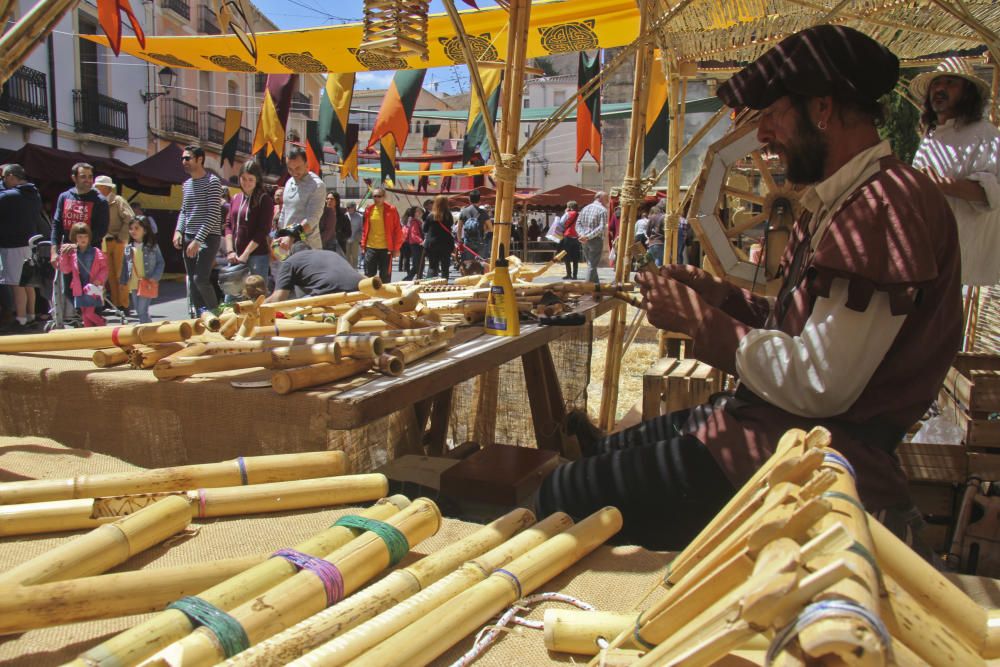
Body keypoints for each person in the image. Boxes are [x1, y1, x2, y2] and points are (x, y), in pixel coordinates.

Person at [536, 25, 962, 553]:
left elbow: (820, 384)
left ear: (823, 109)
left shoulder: (881, 208)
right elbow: (809, 333)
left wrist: (700, 322)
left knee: (560, 494)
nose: (763, 135)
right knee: (598, 456)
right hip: (772, 428)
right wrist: (723, 299)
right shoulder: (845, 200)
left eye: (772, 115)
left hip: (809, 459)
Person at [910, 58, 1000, 288]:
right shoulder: (930, 136)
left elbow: (992, 192)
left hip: (959, 259)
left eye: (950, 83)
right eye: (936, 83)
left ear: (967, 93)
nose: (940, 89)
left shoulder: (985, 134)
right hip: (924, 252)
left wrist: (945, 186)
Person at [173, 145, 223, 315]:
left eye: (187, 158)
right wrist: (178, 231)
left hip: (208, 237)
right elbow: (184, 210)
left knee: (200, 279)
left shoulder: (213, 182)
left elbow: (213, 214)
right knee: (192, 282)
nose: (183, 162)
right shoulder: (186, 184)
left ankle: (215, 314)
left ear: (199, 159)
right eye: (182, 159)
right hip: (189, 236)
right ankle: (199, 317)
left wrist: (198, 240)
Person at [265, 229, 363, 302]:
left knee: (297, 310)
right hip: (359, 289)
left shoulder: (290, 262)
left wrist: (259, 306)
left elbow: (278, 298)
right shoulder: (330, 253)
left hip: (331, 293)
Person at [0, 164, 42, 331]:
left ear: (11, 176)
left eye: (4, 177)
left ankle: (21, 320)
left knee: (17, 284)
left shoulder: (8, 196)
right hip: (29, 243)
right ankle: (31, 316)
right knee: (27, 283)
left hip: (13, 245)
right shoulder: (34, 194)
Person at [224, 160, 274, 286]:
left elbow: (263, 230)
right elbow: (229, 225)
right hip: (235, 256)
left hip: (256, 256)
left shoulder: (264, 200)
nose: (246, 183)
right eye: (243, 178)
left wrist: (246, 254)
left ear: (257, 180)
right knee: (232, 295)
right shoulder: (235, 198)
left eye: (250, 179)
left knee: (255, 295)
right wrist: (230, 251)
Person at [51, 162, 109, 265]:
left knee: (88, 282)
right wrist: (54, 252)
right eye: (83, 177)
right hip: (67, 252)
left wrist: (78, 245)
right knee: (67, 281)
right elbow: (57, 225)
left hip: (90, 254)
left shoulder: (100, 201)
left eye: (90, 177)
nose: (88, 180)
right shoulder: (64, 197)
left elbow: (101, 230)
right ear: (74, 178)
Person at [94, 175, 135, 312]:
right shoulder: (97, 201)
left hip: (118, 241)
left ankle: (124, 304)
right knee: (109, 275)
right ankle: (116, 303)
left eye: (98, 186)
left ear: (106, 188)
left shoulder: (118, 201)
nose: (96, 188)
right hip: (103, 241)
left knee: (120, 273)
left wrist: (122, 236)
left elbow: (130, 218)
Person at [59, 222, 108, 327]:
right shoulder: (72, 254)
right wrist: (63, 255)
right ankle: (89, 335)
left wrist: (99, 279)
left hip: (92, 288)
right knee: (85, 317)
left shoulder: (96, 252)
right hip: (79, 288)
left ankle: (102, 324)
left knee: (89, 313)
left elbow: (104, 268)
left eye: (85, 236)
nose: (83, 239)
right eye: (80, 236)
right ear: (74, 237)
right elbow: (66, 269)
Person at [278, 146, 325, 250]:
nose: (294, 173)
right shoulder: (289, 182)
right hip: (287, 246)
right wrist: (280, 235)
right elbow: (284, 212)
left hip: (308, 248)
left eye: (297, 168)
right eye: (290, 169)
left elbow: (312, 219)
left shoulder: (317, 185)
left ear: (306, 164)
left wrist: (291, 236)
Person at [120, 217, 164, 324]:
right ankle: (149, 330)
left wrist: (155, 277)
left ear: (144, 230)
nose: (133, 231)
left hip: (147, 282)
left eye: (136, 228)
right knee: (139, 310)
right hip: (134, 283)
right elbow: (125, 265)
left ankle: (146, 332)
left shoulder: (152, 246)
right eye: (131, 228)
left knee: (142, 310)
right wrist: (123, 281)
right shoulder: (128, 248)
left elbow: (160, 262)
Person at [361, 187, 402, 283]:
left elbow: (398, 230)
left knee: (385, 276)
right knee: (368, 275)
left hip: (386, 248)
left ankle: (386, 296)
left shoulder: (391, 210)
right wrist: (363, 245)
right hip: (370, 247)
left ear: (384, 197)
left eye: (379, 196)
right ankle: (369, 296)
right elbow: (365, 229)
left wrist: (396, 248)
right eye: (374, 196)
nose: (376, 198)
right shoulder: (369, 210)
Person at [576, 191, 608, 283]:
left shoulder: (585, 208)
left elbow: (578, 223)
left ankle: (596, 285)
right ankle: (588, 287)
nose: (607, 201)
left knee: (590, 264)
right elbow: (601, 227)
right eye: (606, 199)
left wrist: (582, 235)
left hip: (584, 240)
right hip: (595, 240)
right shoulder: (602, 210)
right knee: (592, 265)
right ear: (600, 198)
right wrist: (588, 237)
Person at [423, 194, 455, 280]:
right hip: (446, 244)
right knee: (445, 267)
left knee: (433, 266)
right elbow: (450, 226)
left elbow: (425, 229)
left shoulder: (431, 216)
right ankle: (444, 284)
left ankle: (430, 284)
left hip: (432, 244)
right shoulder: (448, 216)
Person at [459, 190, 486, 260]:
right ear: (479, 200)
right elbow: (491, 228)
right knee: (480, 264)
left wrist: (460, 241)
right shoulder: (483, 212)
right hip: (480, 242)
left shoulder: (464, 211)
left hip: (467, 242)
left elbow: (459, 229)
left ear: (469, 199)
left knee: (468, 263)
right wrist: (484, 230)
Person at [402, 204, 425, 280]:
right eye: (417, 211)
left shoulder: (418, 221)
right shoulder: (414, 222)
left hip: (417, 245)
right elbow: (413, 234)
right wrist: (421, 241)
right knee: (418, 264)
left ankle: (418, 278)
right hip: (416, 245)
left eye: (420, 211)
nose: (419, 213)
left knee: (420, 264)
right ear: (414, 213)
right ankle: (408, 279)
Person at [560, 201, 580, 280]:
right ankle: (575, 275)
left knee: (566, 256)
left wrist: (566, 212)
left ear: (569, 207)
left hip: (568, 236)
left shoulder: (568, 213)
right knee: (575, 257)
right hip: (576, 237)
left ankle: (569, 274)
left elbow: (561, 222)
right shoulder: (579, 214)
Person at [645, 200, 666, 266]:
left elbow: (647, 230)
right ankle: (656, 275)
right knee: (658, 261)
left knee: (649, 261)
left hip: (652, 242)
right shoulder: (665, 218)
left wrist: (650, 236)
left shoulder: (652, 217)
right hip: (660, 242)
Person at [345, 200, 364, 269]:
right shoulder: (344, 216)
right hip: (346, 240)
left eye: (350, 207)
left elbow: (362, 229)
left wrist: (358, 237)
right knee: (346, 257)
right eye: (347, 207)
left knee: (354, 256)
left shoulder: (360, 217)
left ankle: (354, 270)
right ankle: (347, 271)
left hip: (355, 239)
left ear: (354, 208)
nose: (348, 209)